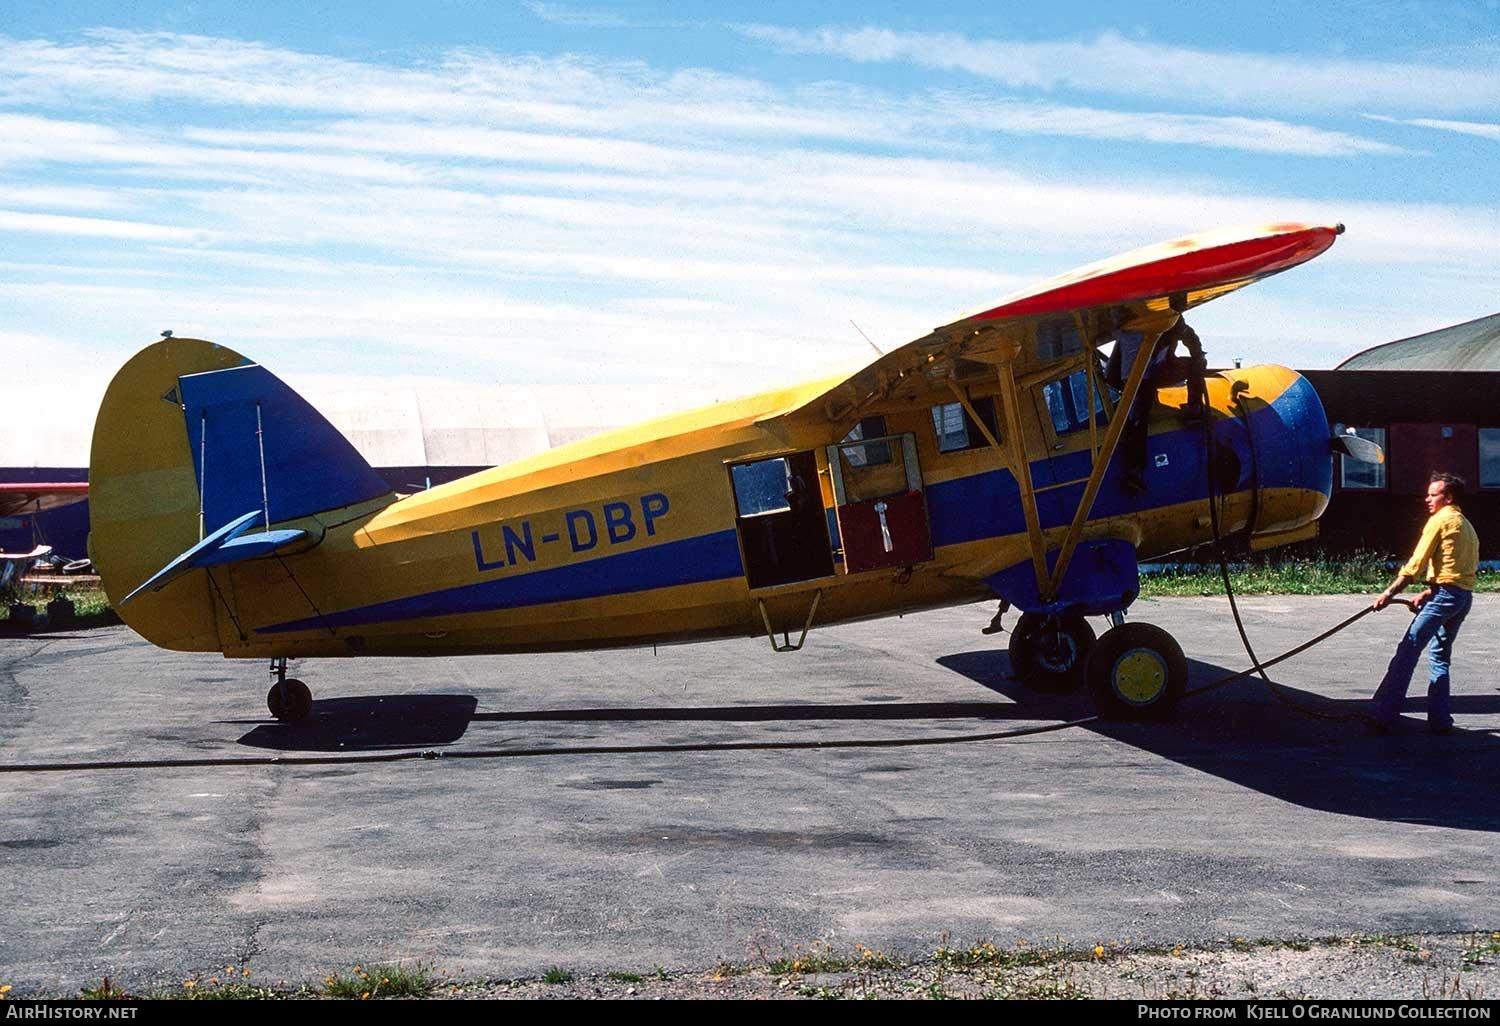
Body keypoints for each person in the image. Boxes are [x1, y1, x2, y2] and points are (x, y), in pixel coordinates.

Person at [1370, 472, 1479, 732]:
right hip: (1461, 598)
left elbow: (1415, 565)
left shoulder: (1439, 521)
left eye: (1433, 494)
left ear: (1448, 497)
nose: (1427, 499)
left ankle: (1384, 715)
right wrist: (1428, 593)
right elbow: (1460, 573)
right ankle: (1440, 720)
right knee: (1440, 657)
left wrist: (1389, 593)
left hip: (1445, 597)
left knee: (1407, 652)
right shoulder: (1466, 525)